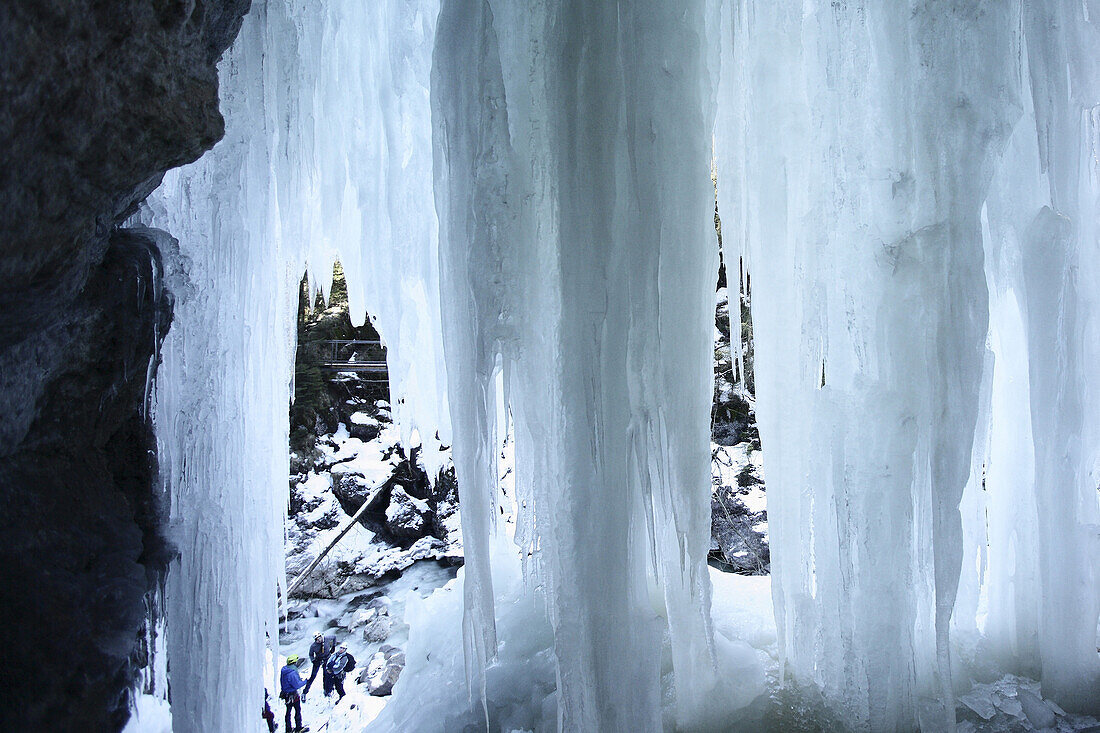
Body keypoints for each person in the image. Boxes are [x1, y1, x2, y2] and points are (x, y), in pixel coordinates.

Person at [280, 654, 308, 732]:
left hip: (286, 694)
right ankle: (298, 728)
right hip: (292, 694)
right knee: (297, 710)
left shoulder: (284, 670)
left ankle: (288, 729)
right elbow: (297, 685)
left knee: (288, 711)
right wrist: (305, 681)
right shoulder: (292, 672)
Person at [305, 631, 335, 696]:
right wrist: (313, 661)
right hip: (318, 660)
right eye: (317, 639)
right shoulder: (313, 646)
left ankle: (326, 690)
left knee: (326, 675)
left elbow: (334, 637)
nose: (319, 640)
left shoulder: (327, 638)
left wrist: (333, 646)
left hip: (327, 658)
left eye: (319, 638)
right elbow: (310, 654)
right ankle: (305, 691)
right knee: (313, 676)